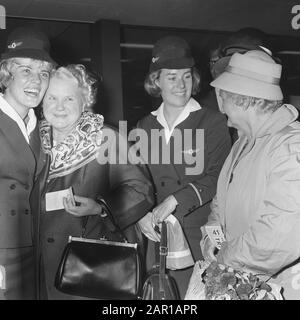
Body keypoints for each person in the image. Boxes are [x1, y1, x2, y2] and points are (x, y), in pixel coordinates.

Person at [38, 64, 155, 299]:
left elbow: (141, 190)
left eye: (69, 99)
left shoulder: (107, 138)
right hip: (37, 270)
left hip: (87, 270)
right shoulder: (32, 139)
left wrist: (100, 208)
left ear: (85, 102)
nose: (59, 107)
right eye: (52, 98)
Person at [137, 36, 231, 298]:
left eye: (187, 76)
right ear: (156, 80)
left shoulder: (212, 122)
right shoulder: (144, 126)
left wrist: (176, 199)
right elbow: (136, 180)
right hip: (157, 239)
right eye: (172, 77)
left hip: (198, 238)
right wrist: (140, 213)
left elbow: (218, 176)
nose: (181, 85)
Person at [201, 49, 300, 299]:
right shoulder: (243, 142)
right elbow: (222, 196)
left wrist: (225, 260)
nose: (221, 108)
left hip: (279, 287)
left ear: (244, 100)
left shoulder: (290, 148)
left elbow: (277, 238)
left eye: (223, 96)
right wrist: (213, 230)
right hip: (242, 278)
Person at [0, 26, 55, 300]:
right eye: (26, 70)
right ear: (6, 74)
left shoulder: (41, 129)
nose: (37, 80)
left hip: (33, 250)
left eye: (43, 73)